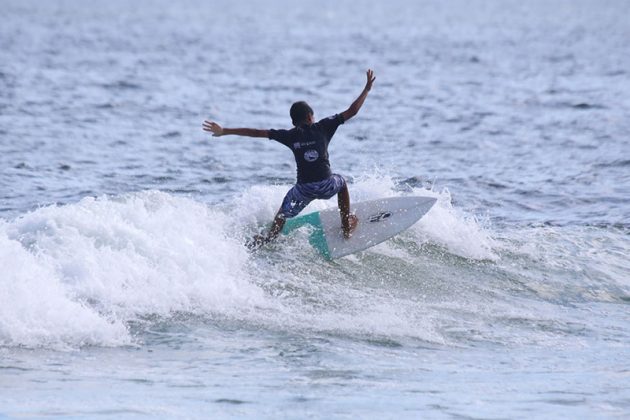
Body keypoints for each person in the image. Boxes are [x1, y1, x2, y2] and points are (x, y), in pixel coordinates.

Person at [203, 69, 376, 249]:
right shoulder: (324, 127)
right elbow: (352, 111)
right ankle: (346, 224)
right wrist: (366, 90)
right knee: (341, 182)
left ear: (294, 122)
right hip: (326, 184)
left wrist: (224, 131)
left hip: (303, 190)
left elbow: (254, 132)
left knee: (281, 217)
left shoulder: (290, 135)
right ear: (310, 117)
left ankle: (265, 239)